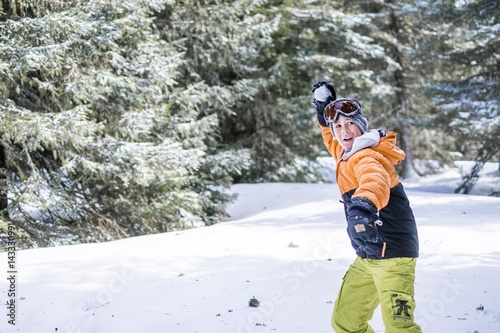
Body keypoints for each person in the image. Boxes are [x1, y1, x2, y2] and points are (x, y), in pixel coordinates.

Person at [311, 81, 422, 333]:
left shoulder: (366, 155)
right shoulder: (346, 152)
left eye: (349, 123)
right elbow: (330, 139)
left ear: (361, 125)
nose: (343, 130)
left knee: (399, 327)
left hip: (394, 254)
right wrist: (322, 111)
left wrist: (362, 206)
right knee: (346, 322)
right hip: (369, 255)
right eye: (338, 126)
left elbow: (375, 182)